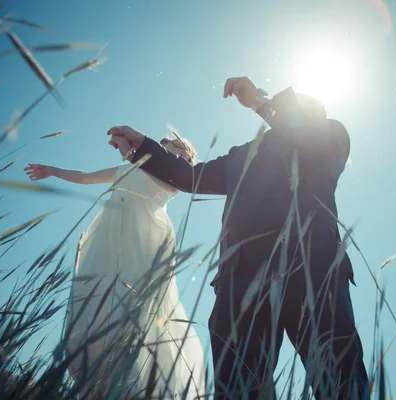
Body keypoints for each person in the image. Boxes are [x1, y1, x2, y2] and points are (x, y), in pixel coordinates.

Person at [108, 76, 368, 399]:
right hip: (241, 284)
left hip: (314, 273)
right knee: (239, 390)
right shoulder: (240, 155)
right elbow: (191, 176)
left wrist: (260, 100)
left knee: (341, 384)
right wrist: (141, 148)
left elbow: (302, 132)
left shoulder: (329, 137)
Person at [24, 135, 206, 399]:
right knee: (98, 309)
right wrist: (52, 171)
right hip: (110, 242)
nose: (162, 156)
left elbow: (162, 178)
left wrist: (128, 155)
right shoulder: (130, 166)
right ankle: (99, 380)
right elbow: (86, 177)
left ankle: (133, 386)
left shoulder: (175, 177)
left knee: (134, 312)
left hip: (144, 243)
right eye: (162, 151)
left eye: (171, 153)